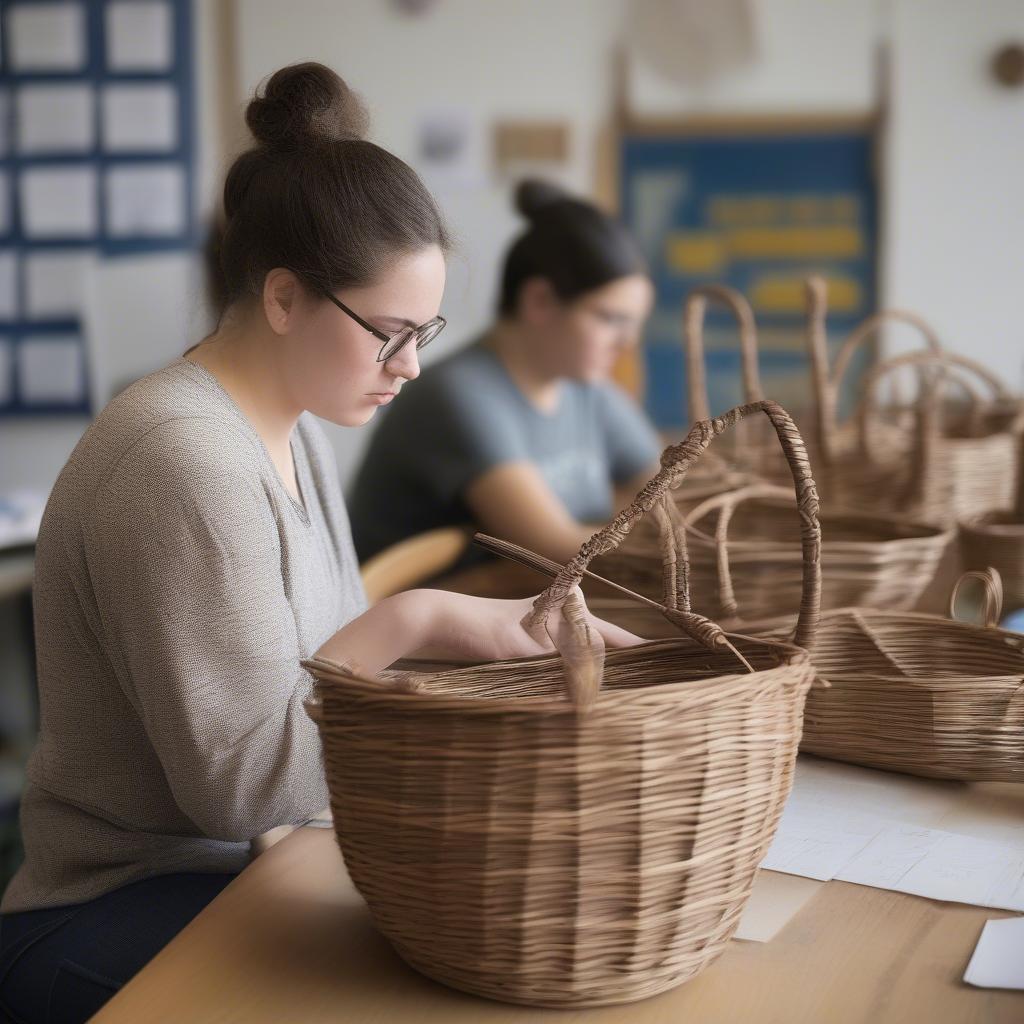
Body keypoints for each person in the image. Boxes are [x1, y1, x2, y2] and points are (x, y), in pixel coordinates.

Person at [0, 63, 636, 1023]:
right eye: (388, 333)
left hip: (254, 866)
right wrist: (417, 619)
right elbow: (245, 789)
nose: (411, 365)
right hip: (120, 905)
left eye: (425, 330)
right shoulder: (186, 462)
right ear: (285, 298)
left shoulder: (291, 426)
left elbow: (319, 696)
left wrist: (466, 654)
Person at [348, 180, 662, 567]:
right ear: (540, 300)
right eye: (611, 319)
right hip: (417, 619)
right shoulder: (458, 395)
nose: (627, 342)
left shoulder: (586, 388)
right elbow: (556, 550)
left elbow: (672, 494)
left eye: (634, 325)